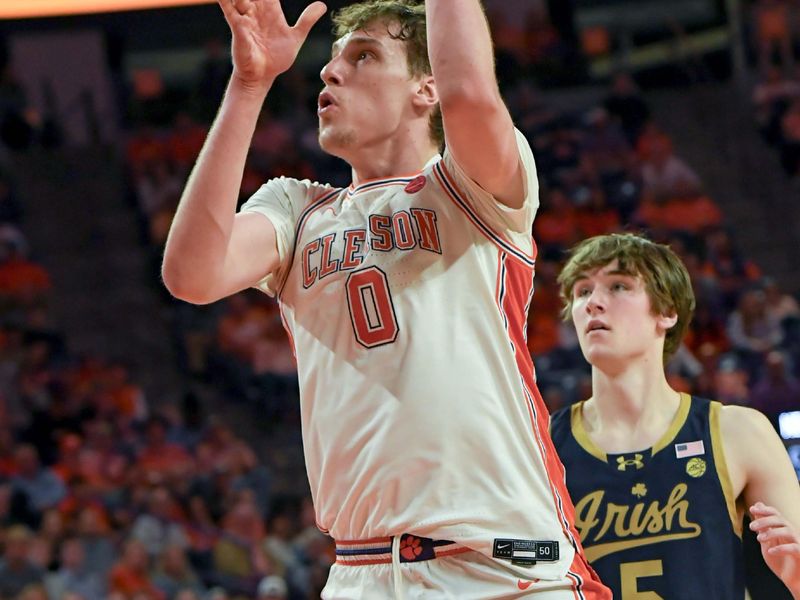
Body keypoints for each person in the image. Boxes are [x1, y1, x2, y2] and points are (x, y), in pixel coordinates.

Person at [162, 0, 609, 597]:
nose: (330, 72)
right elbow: (192, 274)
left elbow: (472, 95)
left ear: (426, 88)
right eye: (331, 61)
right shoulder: (296, 208)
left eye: (365, 55)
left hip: (505, 565)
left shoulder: (467, 187)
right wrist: (249, 84)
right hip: (363, 572)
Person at [550, 232, 800, 599]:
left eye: (618, 286)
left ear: (666, 312)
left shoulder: (736, 431)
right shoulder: (542, 445)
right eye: (583, 291)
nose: (594, 303)